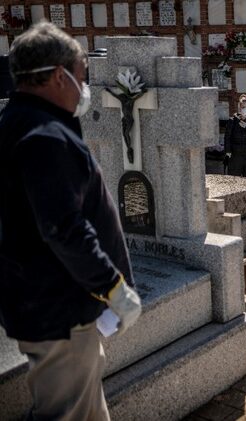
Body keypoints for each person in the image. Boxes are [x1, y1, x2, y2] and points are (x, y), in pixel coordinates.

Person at [0, 22, 142, 420]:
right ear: (59, 75)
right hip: (58, 310)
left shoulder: (20, 121)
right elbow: (62, 226)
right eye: (82, 75)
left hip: (44, 302)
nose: (85, 85)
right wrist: (112, 286)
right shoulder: (44, 135)